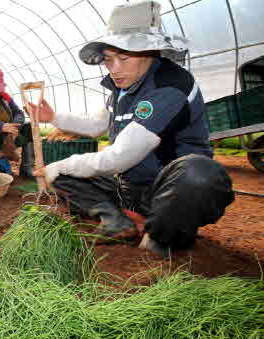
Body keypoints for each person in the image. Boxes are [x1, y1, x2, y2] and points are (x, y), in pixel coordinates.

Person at [29, 0, 234, 258]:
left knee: (200, 174)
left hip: (167, 192)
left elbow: (120, 156)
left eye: (123, 58)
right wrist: (54, 117)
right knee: (64, 175)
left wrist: (59, 165)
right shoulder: (123, 86)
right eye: (108, 60)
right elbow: (97, 125)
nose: (114, 69)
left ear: (149, 52)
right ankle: (117, 219)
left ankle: (158, 237)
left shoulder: (169, 86)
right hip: (126, 186)